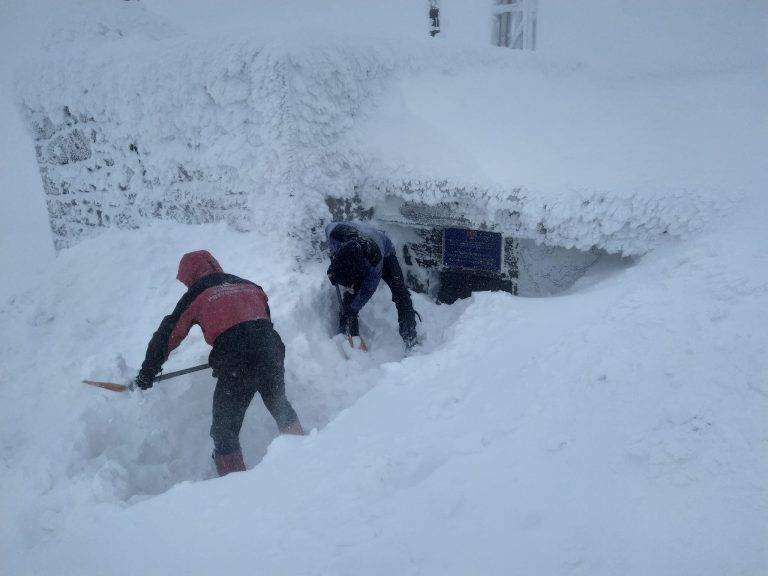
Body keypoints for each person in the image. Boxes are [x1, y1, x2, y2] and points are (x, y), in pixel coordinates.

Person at [134, 250, 304, 477]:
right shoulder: (250, 285)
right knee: (279, 404)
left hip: (237, 363)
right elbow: (261, 323)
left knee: (224, 430)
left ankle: (233, 486)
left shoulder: (198, 292)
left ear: (191, 276)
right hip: (271, 350)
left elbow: (169, 333)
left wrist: (147, 372)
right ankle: (305, 456)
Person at [325, 221, 419, 348]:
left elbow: (367, 290)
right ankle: (348, 338)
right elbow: (329, 229)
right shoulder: (334, 234)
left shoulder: (374, 263)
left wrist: (353, 308)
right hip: (356, 249)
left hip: (385, 253)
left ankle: (410, 338)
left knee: (401, 294)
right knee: (349, 301)